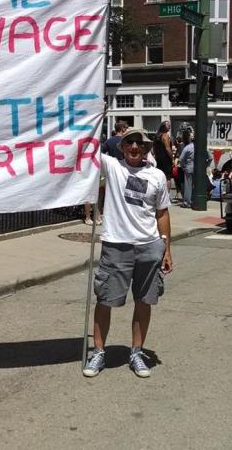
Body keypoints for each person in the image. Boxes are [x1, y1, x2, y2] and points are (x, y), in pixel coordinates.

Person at [83, 128, 172, 378]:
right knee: (105, 300)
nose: (135, 146)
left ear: (147, 149)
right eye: (129, 142)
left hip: (150, 245)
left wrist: (167, 251)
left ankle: (136, 352)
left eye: (140, 144)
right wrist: (95, 117)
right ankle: (99, 352)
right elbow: (87, 145)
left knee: (144, 301)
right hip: (116, 245)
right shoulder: (113, 167)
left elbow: (162, 213)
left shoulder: (156, 175)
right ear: (122, 147)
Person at [153, 121, 173, 189]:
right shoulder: (165, 135)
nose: (170, 126)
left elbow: (154, 149)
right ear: (164, 126)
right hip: (166, 160)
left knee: (159, 177)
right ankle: (167, 196)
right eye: (168, 125)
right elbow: (168, 148)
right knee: (168, 178)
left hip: (158, 159)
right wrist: (172, 158)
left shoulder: (156, 136)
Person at [178, 130, 194, 208]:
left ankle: (187, 202)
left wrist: (183, 167)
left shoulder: (187, 147)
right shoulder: (199, 147)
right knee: (195, 185)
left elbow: (180, 159)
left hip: (188, 168)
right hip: (198, 170)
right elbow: (210, 157)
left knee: (188, 186)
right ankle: (193, 200)